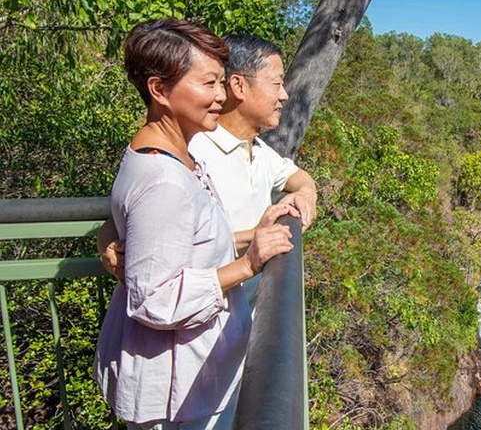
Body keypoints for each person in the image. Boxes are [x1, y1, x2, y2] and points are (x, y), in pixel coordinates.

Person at [94, 17, 294, 430]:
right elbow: (156, 298)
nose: (221, 97)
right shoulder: (165, 177)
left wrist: (251, 234)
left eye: (222, 83)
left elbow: (178, 236)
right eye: (208, 83)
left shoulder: (166, 152)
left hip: (173, 384)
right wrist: (247, 264)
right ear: (159, 90)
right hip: (182, 391)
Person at [99, 33, 318, 307]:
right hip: (195, 329)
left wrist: (306, 195)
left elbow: (296, 176)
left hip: (237, 320)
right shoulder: (190, 153)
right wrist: (108, 247)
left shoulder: (256, 149)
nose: (284, 95)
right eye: (276, 83)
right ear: (239, 86)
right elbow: (131, 227)